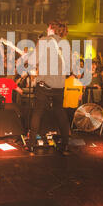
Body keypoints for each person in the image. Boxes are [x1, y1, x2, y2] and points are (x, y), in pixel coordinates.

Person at [26, 19, 71, 155]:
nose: (46, 30)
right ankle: (65, 145)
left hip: (45, 84)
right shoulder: (66, 43)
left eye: (48, 28)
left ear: (51, 28)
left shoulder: (44, 41)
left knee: (38, 111)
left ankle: (32, 144)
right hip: (60, 85)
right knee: (60, 112)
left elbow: (33, 61)